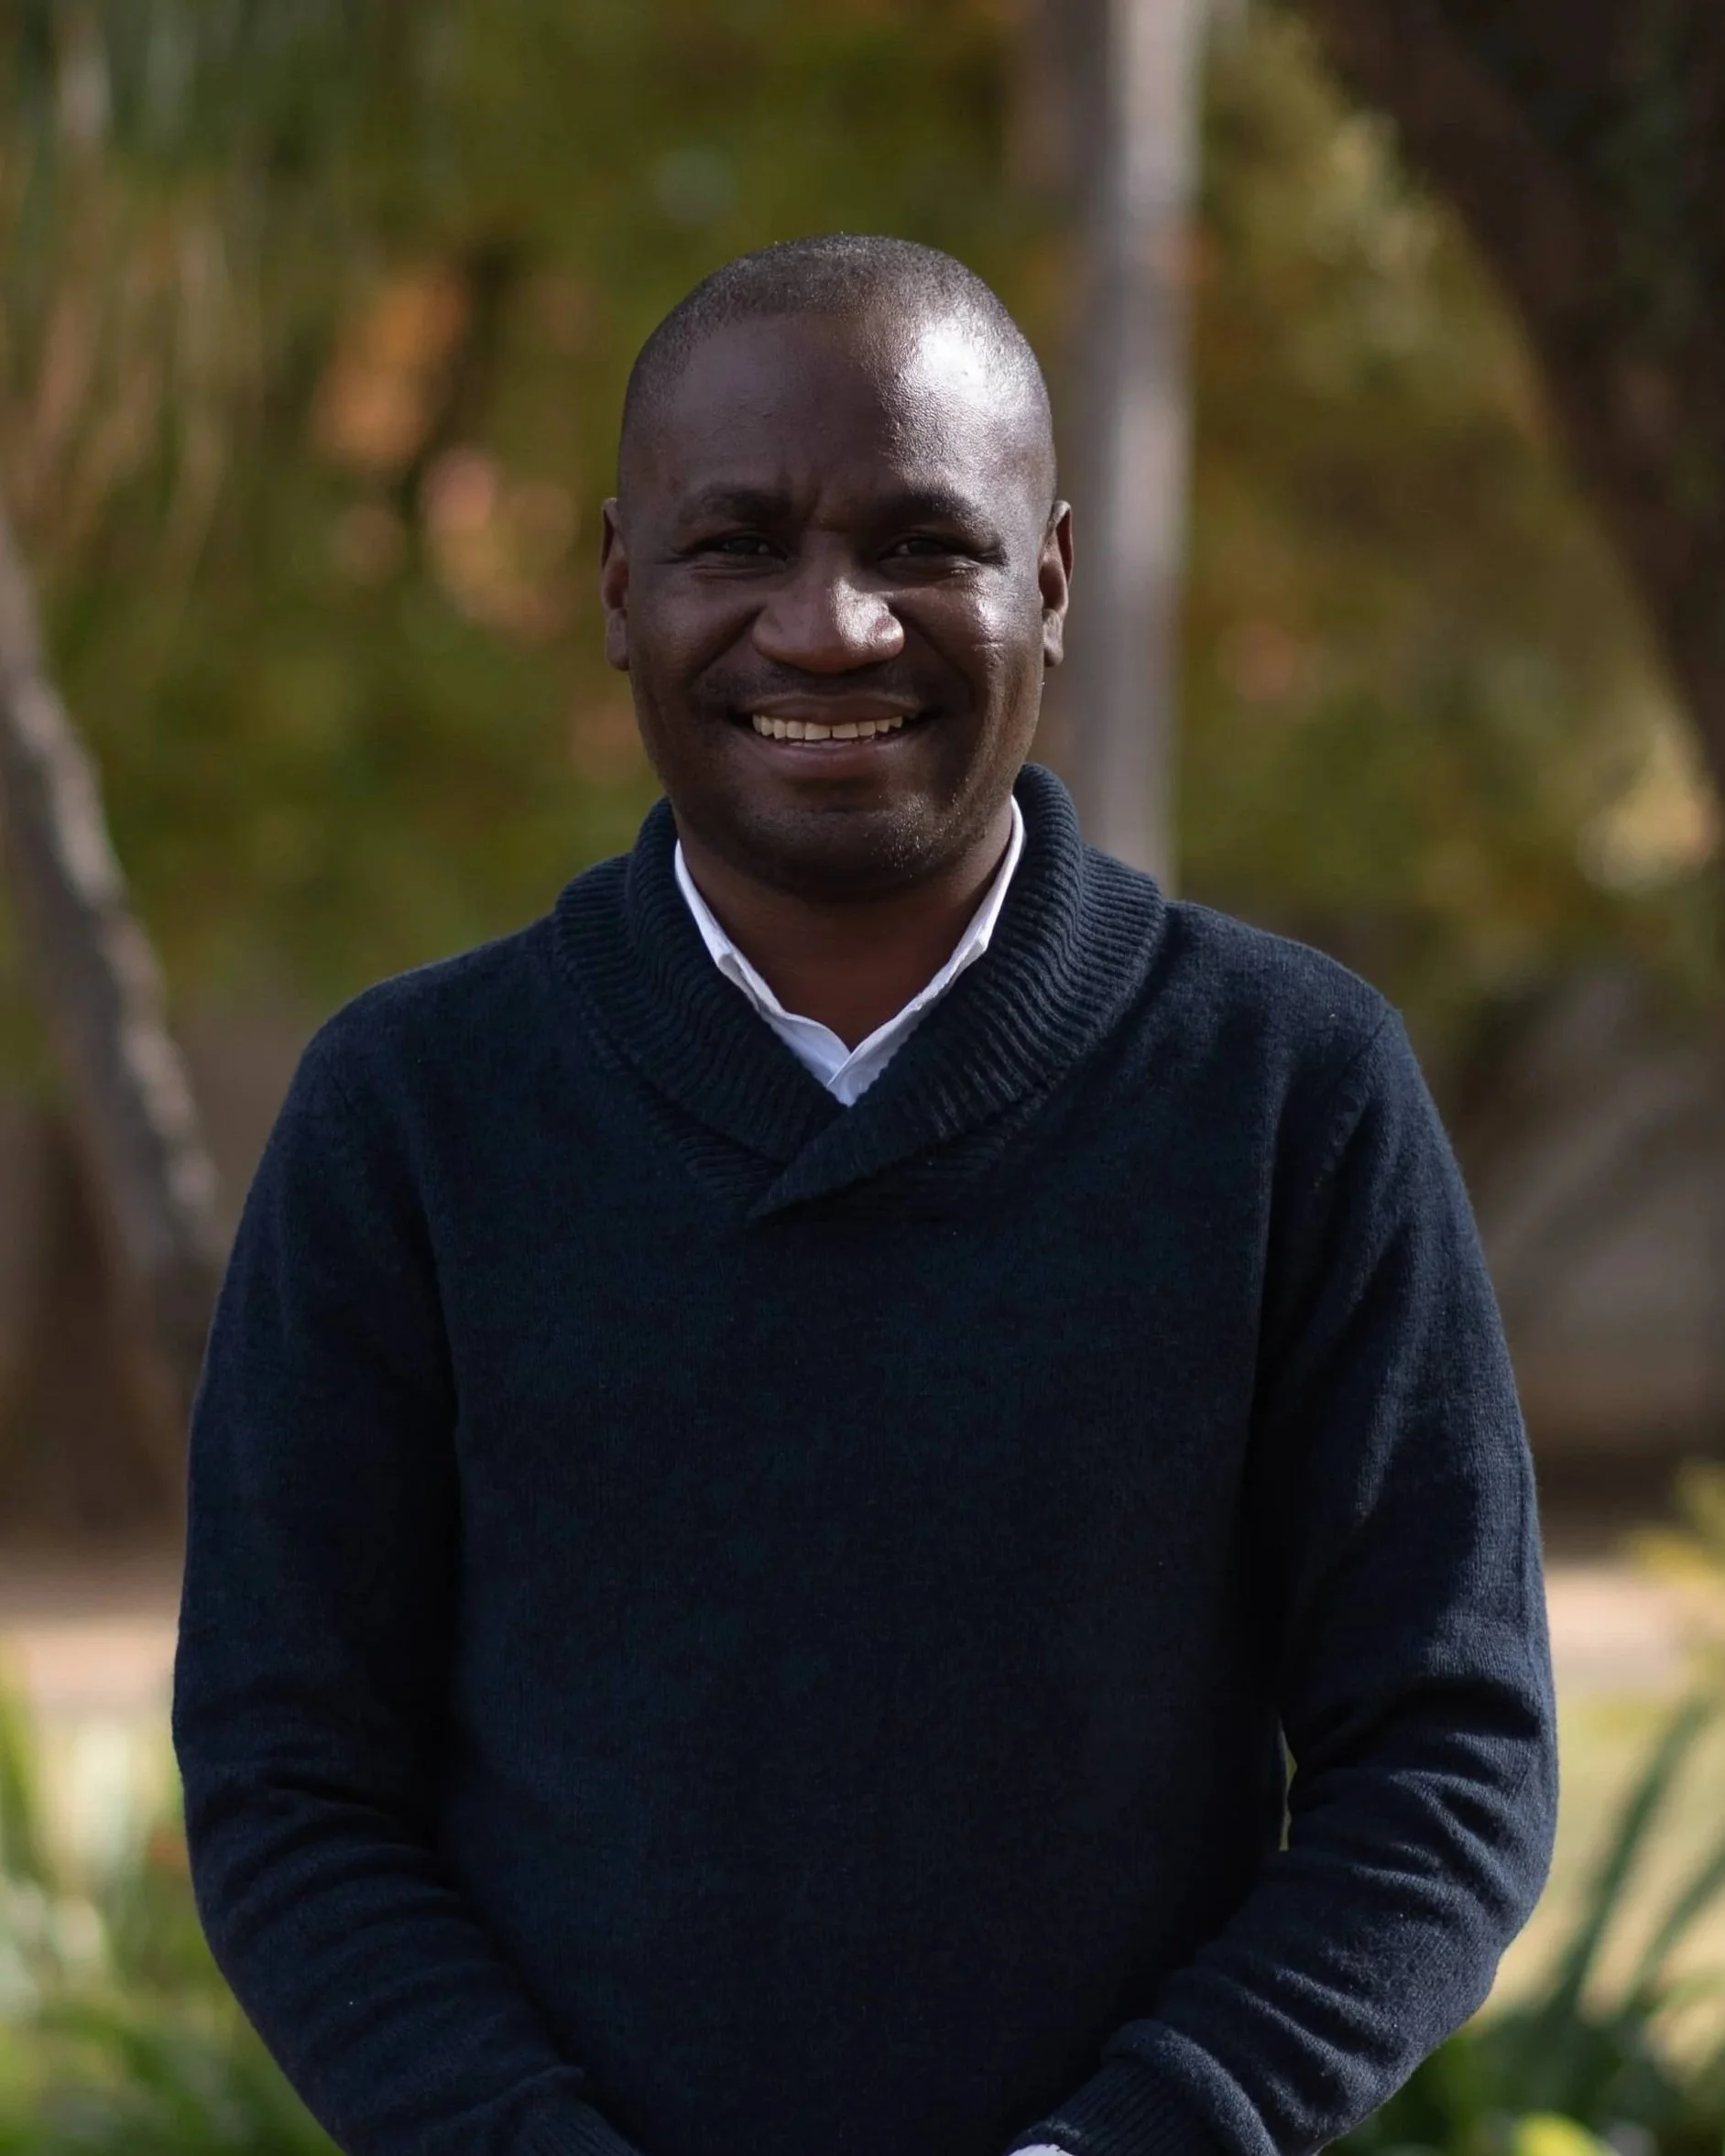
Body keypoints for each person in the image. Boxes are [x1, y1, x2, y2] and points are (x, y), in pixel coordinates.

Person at [173, 234, 1558, 2156]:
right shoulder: (409, 1113)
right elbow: (288, 1775)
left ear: (1046, 582)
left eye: (921, 546)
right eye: (735, 543)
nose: (828, 626)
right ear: (618, 588)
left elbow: (1446, 1750)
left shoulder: (1285, 1089)